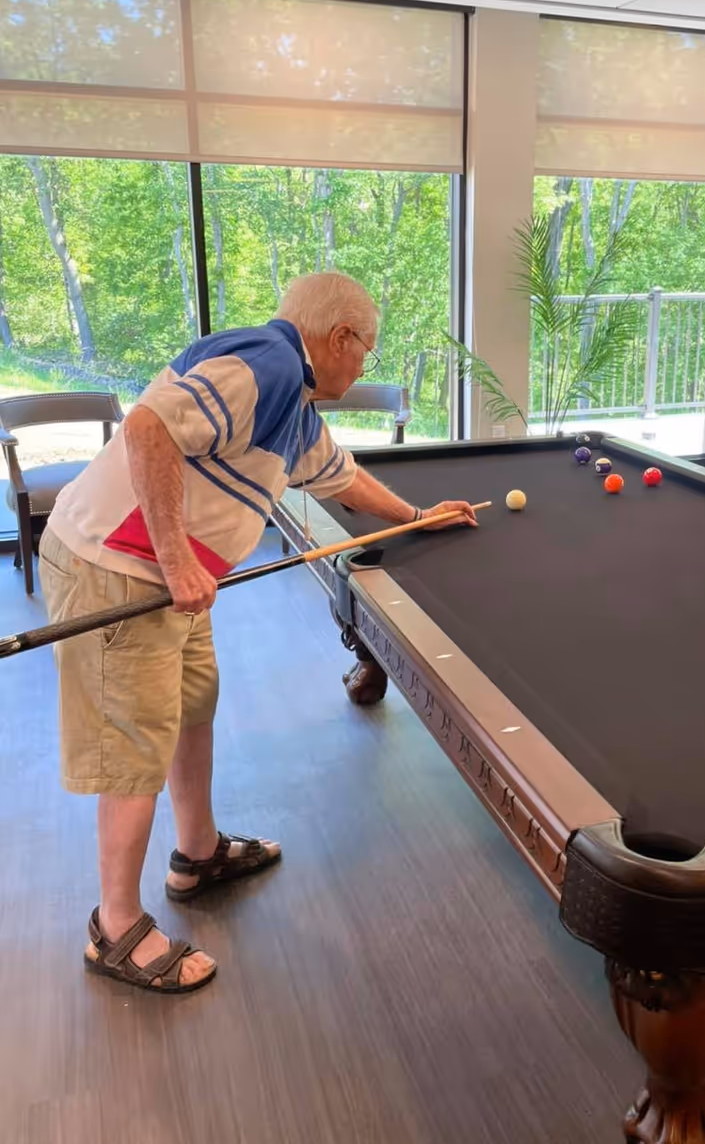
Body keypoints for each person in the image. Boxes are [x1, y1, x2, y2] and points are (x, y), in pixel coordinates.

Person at [38, 272, 476, 994]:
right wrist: (176, 559)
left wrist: (415, 517)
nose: (363, 364)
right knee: (134, 746)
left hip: (162, 578)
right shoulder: (268, 364)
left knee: (192, 707)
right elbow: (148, 428)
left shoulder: (295, 405)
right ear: (339, 338)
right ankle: (114, 927)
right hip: (117, 569)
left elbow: (340, 477)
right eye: (366, 349)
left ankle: (197, 853)